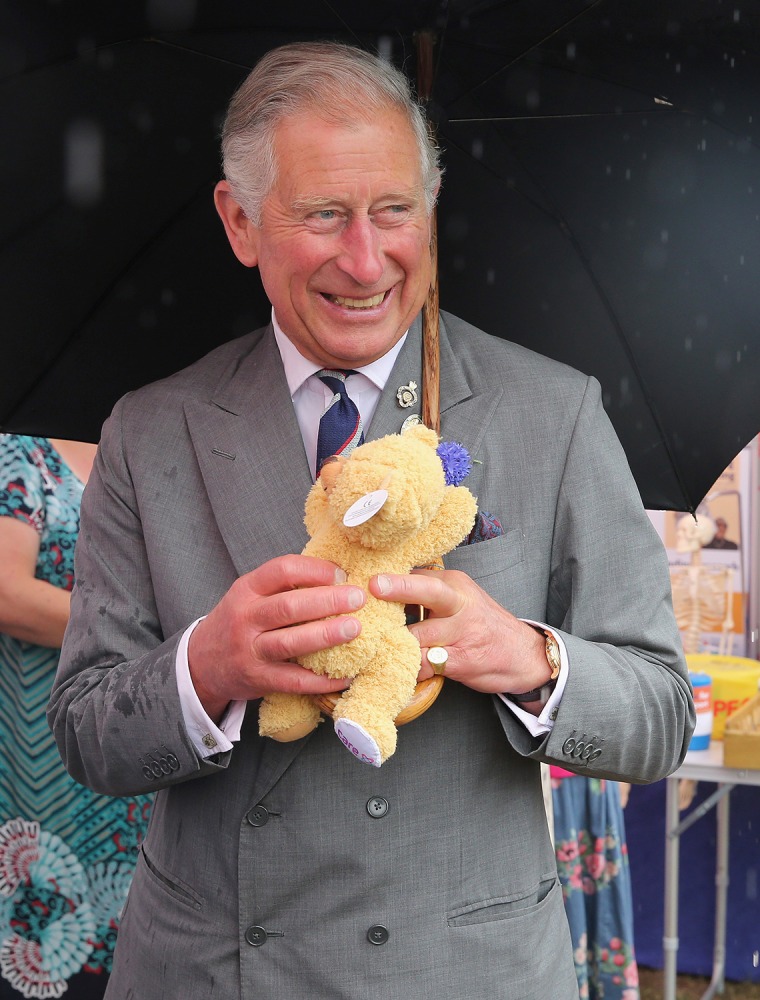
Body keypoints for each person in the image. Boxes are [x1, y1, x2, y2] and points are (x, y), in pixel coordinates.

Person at [47, 42, 694, 1000]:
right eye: (322, 216)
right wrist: (206, 668)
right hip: (215, 970)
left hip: (464, 970)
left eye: (395, 210)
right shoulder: (153, 429)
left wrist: (531, 659)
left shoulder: (551, 410)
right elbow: (85, 731)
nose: (367, 259)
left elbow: (661, 716)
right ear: (240, 221)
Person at [0, 435, 152, 1000]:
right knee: (48, 943)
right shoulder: (22, 451)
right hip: (47, 754)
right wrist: (148, 635)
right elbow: (7, 594)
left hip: (140, 735)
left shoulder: (154, 451)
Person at [551, 769, 639, 1000]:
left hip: (599, 773)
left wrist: (623, 770)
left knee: (606, 910)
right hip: (542, 784)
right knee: (558, 910)